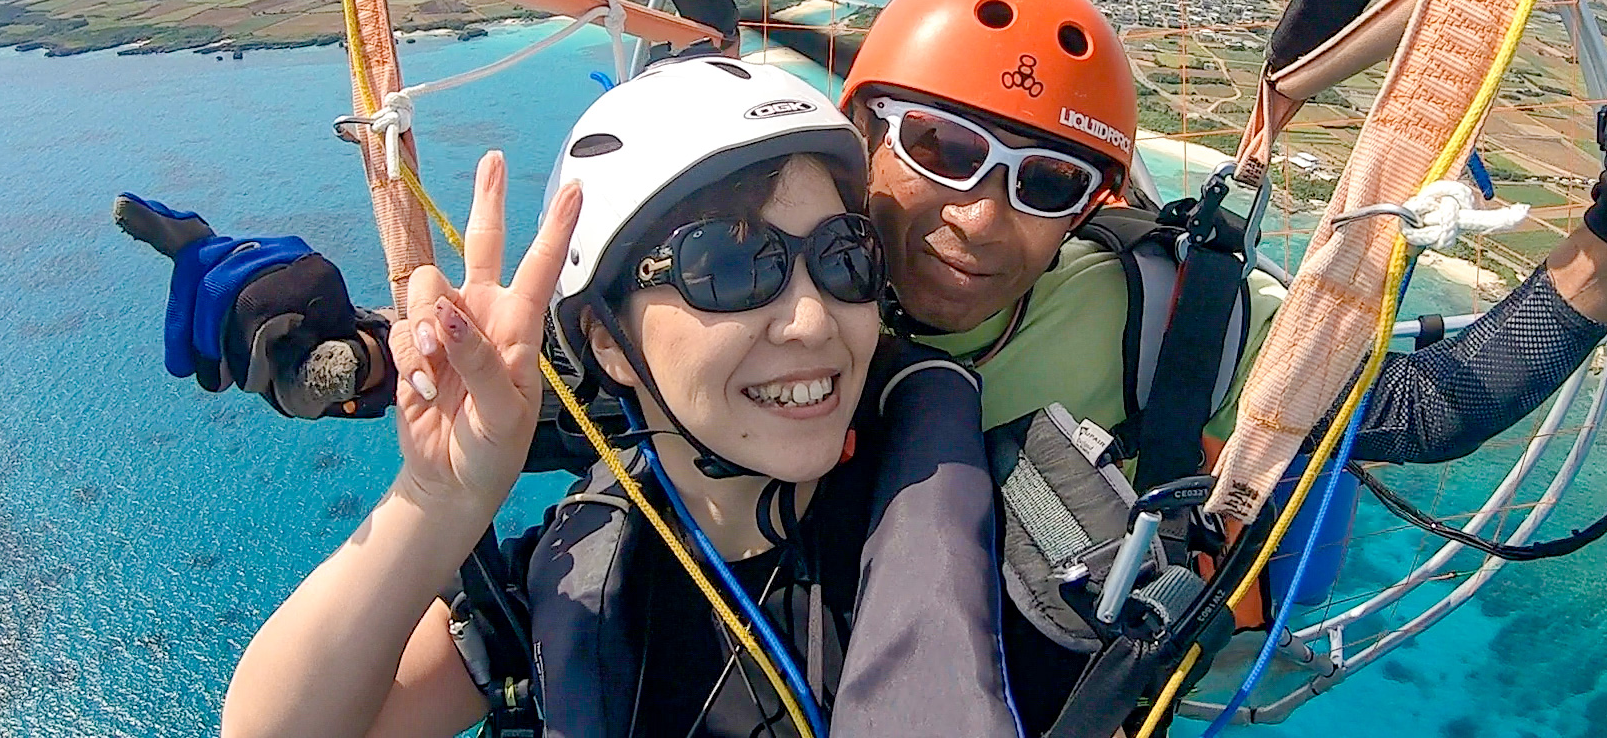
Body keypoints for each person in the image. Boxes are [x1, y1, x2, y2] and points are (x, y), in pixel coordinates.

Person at [127, 0, 1607, 736]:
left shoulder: (1154, 324)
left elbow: (1399, 403)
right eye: (929, 150)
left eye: (1043, 181)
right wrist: (326, 351)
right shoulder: (716, 385)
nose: (969, 217)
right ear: (852, 134)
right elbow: (532, 378)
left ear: (1091, 211)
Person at [190, 57, 1019, 738]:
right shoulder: (570, 588)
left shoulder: (1008, 554)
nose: (811, 319)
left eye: (843, 257)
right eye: (729, 268)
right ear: (605, 342)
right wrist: (436, 500)